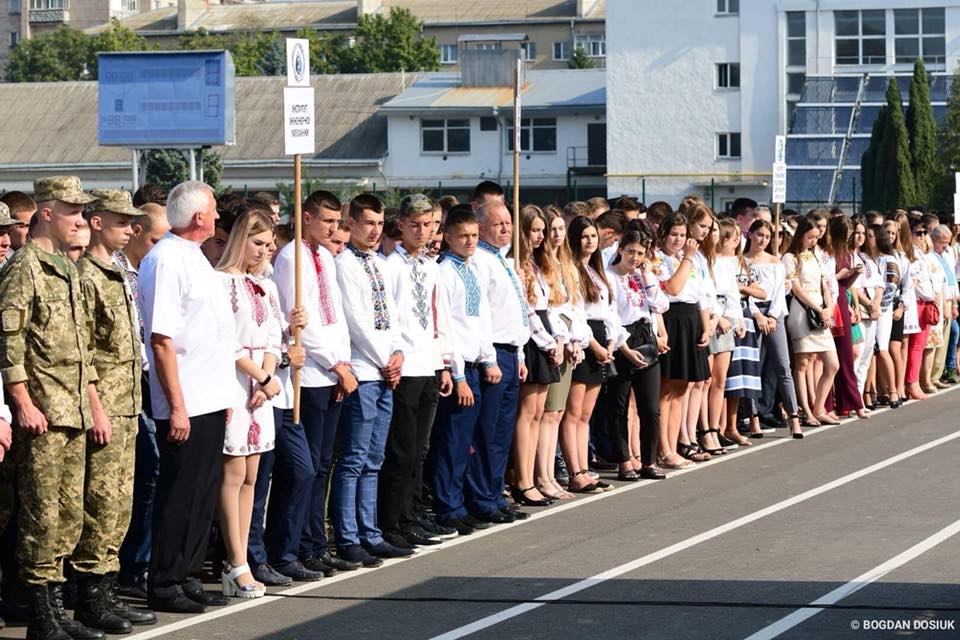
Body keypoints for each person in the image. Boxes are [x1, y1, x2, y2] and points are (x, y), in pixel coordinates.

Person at [0, 176, 102, 640]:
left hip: (72, 409)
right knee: (41, 516)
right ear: (47, 213)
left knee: (67, 515)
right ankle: (41, 616)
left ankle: (57, 610)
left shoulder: (64, 267)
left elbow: (81, 346)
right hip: (43, 414)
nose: (80, 220)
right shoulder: (25, 267)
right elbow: (9, 341)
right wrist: (22, 400)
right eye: (73, 212)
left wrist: (90, 403)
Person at [138, 181, 242, 614]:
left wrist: (224, 394)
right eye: (213, 210)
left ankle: (187, 574)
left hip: (209, 396)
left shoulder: (195, 256)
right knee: (180, 494)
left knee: (203, 492)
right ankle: (165, 582)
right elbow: (162, 339)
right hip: (186, 400)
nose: (217, 217)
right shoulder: (165, 259)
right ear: (199, 216)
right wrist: (177, 406)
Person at [263, 190, 358, 582]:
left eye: (337, 222)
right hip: (310, 375)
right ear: (306, 217)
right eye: (327, 221)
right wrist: (333, 362)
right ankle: (301, 545)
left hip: (333, 372)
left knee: (322, 465)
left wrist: (344, 363)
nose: (334, 229)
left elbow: (335, 317)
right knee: (308, 467)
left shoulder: (325, 256)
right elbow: (300, 324)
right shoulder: (292, 257)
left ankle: (316, 543)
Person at [74, 189, 156, 632]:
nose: (130, 229)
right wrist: (96, 408)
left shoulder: (118, 271)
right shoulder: (86, 275)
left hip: (127, 403)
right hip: (105, 404)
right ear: (97, 222)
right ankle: (91, 597)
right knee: (101, 504)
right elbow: (84, 351)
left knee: (120, 504)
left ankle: (107, 590)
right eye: (122, 222)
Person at [215, 208, 292, 599]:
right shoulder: (221, 282)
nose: (265, 250)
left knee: (252, 475)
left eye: (269, 244)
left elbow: (275, 337)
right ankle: (235, 561)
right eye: (258, 243)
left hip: (262, 384)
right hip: (233, 381)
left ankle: (241, 557)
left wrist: (268, 376)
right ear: (241, 240)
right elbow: (225, 341)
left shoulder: (266, 285)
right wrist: (260, 377)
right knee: (232, 473)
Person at [333, 194, 410, 564]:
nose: (375, 230)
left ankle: (371, 532)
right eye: (368, 223)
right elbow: (356, 321)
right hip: (364, 373)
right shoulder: (344, 263)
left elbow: (391, 316)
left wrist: (397, 354)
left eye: (380, 224)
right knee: (353, 459)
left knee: (374, 458)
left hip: (384, 373)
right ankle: (348, 537)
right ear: (351, 222)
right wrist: (384, 361)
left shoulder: (379, 263)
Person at [380, 194, 453, 549]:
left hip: (428, 364)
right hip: (405, 366)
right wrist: (394, 356)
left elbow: (437, 318)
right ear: (402, 225)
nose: (422, 232)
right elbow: (390, 319)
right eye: (415, 225)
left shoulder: (431, 266)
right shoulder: (389, 267)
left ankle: (410, 514)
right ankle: (391, 521)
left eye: (428, 225)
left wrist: (443, 363)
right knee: (402, 449)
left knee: (419, 449)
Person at [429, 205, 499, 535]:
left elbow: (481, 319)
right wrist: (457, 375)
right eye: (462, 236)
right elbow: (448, 327)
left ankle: (464, 501)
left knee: (469, 442)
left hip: (476, 365)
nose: (470, 241)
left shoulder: (472, 269)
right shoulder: (444, 272)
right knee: (453, 442)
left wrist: (489, 358)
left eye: (474, 235)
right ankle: (448, 506)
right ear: (447, 237)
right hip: (459, 369)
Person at [115, 202, 171, 599]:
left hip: (150, 379)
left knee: (152, 471)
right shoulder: (115, 271)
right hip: (124, 385)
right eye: (154, 239)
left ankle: (139, 564)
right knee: (142, 473)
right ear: (135, 231)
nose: (159, 248)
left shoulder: (148, 269)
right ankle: (128, 569)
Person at [472, 200, 532, 516]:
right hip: (493, 352)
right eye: (498, 224)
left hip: (511, 351)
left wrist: (519, 354)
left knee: (502, 433)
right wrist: (489, 358)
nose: (506, 228)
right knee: (488, 430)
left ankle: (495, 494)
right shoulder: (479, 261)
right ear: (481, 227)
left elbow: (516, 312)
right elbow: (482, 316)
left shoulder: (503, 260)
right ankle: (482, 497)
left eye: (508, 222)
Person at [605, 228, 668, 480]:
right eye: (631, 251)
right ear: (621, 249)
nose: (635, 257)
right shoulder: (609, 276)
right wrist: (625, 349)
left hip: (645, 337)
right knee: (619, 406)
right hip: (622, 339)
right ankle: (624, 461)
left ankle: (649, 460)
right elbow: (610, 315)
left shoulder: (642, 275)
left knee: (650, 408)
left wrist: (648, 277)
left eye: (640, 253)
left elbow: (661, 305)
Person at [511, 206, 563, 506]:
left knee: (540, 412)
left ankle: (532, 476)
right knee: (527, 412)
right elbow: (527, 311)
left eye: (543, 230)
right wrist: (547, 342)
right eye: (534, 230)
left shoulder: (539, 264)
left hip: (545, 336)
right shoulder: (517, 266)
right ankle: (523, 480)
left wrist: (557, 338)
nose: (541, 236)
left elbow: (549, 307)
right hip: (532, 340)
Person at [562, 216, 619, 491]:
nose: (589, 241)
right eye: (584, 236)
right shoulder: (572, 270)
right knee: (573, 413)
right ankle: (574, 471)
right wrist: (594, 346)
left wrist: (611, 342)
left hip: (601, 338)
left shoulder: (597, 271)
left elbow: (608, 311)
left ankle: (584, 467)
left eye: (593, 236)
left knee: (586, 414)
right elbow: (577, 314)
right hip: (584, 341)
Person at [654, 210, 710, 469]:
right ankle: (663, 448)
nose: (678, 239)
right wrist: (686, 258)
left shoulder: (690, 260)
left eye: (682, 234)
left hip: (691, 319)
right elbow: (673, 288)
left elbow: (700, 295)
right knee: (666, 388)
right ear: (664, 235)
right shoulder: (658, 259)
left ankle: (675, 446)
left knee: (682, 387)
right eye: (673, 234)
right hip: (671, 318)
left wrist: (705, 326)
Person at [747, 219, 802, 439]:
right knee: (752, 367)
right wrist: (756, 314)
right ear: (750, 234)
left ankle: (794, 416)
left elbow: (779, 293)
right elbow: (744, 293)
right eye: (759, 235)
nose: (763, 240)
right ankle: (753, 418)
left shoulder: (776, 262)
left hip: (774, 313)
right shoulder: (743, 261)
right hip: (752, 313)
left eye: (767, 236)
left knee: (783, 365)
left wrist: (771, 315)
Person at [782, 217, 839, 426]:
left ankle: (819, 406)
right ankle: (806, 410)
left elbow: (825, 284)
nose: (814, 241)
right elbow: (796, 289)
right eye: (810, 237)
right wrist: (818, 308)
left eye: (816, 237)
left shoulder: (815, 256)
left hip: (820, 307)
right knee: (803, 363)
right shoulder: (790, 257)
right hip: (802, 311)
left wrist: (829, 307)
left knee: (832, 364)